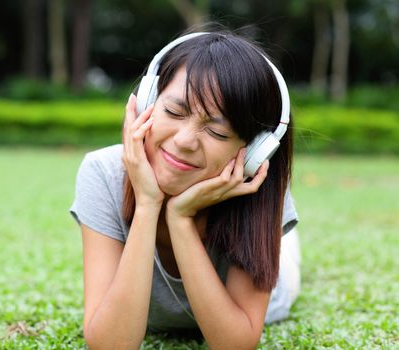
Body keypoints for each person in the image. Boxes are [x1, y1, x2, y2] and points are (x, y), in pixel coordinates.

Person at [70, 27, 301, 349]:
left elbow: (235, 345)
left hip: (273, 290)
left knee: (286, 260)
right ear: (148, 101)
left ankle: (286, 244)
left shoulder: (254, 186)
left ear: (254, 150)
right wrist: (149, 204)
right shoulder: (104, 172)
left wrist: (180, 219)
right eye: (174, 112)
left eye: (218, 133)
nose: (184, 141)